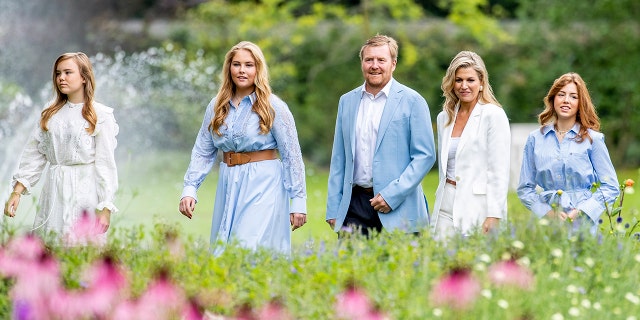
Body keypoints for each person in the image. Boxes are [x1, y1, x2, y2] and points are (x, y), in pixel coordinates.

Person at [179, 41, 307, 255]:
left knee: (247, 248)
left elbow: (292, 155)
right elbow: (203, 149)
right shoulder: (216, 105)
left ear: (258, 69)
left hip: (263, 182)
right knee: (224, 250)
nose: (242, 70)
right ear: (229, 68)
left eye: (249, 65)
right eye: (236, 64)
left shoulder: (273, 106)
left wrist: (299, 201)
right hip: (229, 180)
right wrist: (190, 188)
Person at [325, 34, 436, 237]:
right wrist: (334, 206)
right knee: (352, 268)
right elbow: (339, 158)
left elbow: (425, 156)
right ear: (362, 63)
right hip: (354, 205)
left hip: (400, 206)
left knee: (402, 268)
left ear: (393, 64)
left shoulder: (413, 101)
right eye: (369, 60)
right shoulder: (347, 101)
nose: (374, 65)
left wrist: (391, 195)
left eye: (381, 60)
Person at [3, 52, 119, 243]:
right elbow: (35, 155)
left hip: (85, 192)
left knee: (81, 247)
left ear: (83, 77)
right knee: (52, 244)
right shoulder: (50, 113)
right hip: (55, 191)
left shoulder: (99, 114)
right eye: (58, 73)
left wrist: (105, 208)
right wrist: (17, 191)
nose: (61, 78)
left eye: (67, 72)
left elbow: (105, 164)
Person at [517, 72, 619, 233]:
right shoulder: (535, 139)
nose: (566, 100)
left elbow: (611, 186)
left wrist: (581, 212)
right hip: (546, 224)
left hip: (583, 223)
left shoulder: (593, 139)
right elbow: (525, 188)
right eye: (561, 95)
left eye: (573, 96)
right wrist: (548, 213)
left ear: (580, 103)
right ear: (553, 99)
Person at [432, 51, 511, 239]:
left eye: (470, 80)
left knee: (474, 264)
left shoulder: (493, 115)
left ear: (481, 82)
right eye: (458, 80)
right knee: (442, 262)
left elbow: (498, 171)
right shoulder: (444, 117)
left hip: (478, 205)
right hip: (445, 202)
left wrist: (494, 214)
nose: (464, 86)